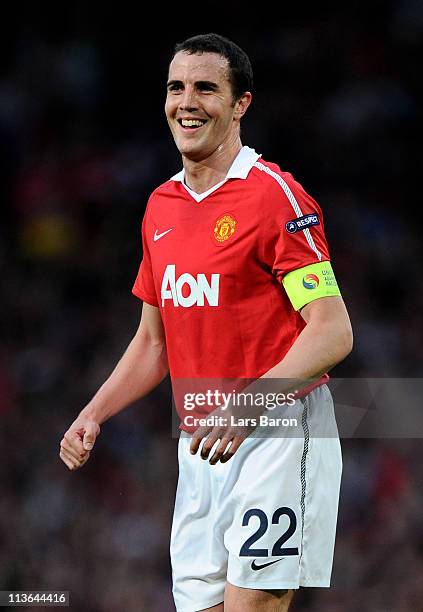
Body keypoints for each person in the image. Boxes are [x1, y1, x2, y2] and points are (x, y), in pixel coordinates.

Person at [60, 33, 353, 612]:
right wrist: (93, 414)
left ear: (241, 104)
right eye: (176, 87)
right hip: (201, 445)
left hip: (277, 430)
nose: (186, 101)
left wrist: (246, 408)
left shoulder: (276, 198)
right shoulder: (159, 207)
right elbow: (152, 341)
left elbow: (331, 329)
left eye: (205, 88)